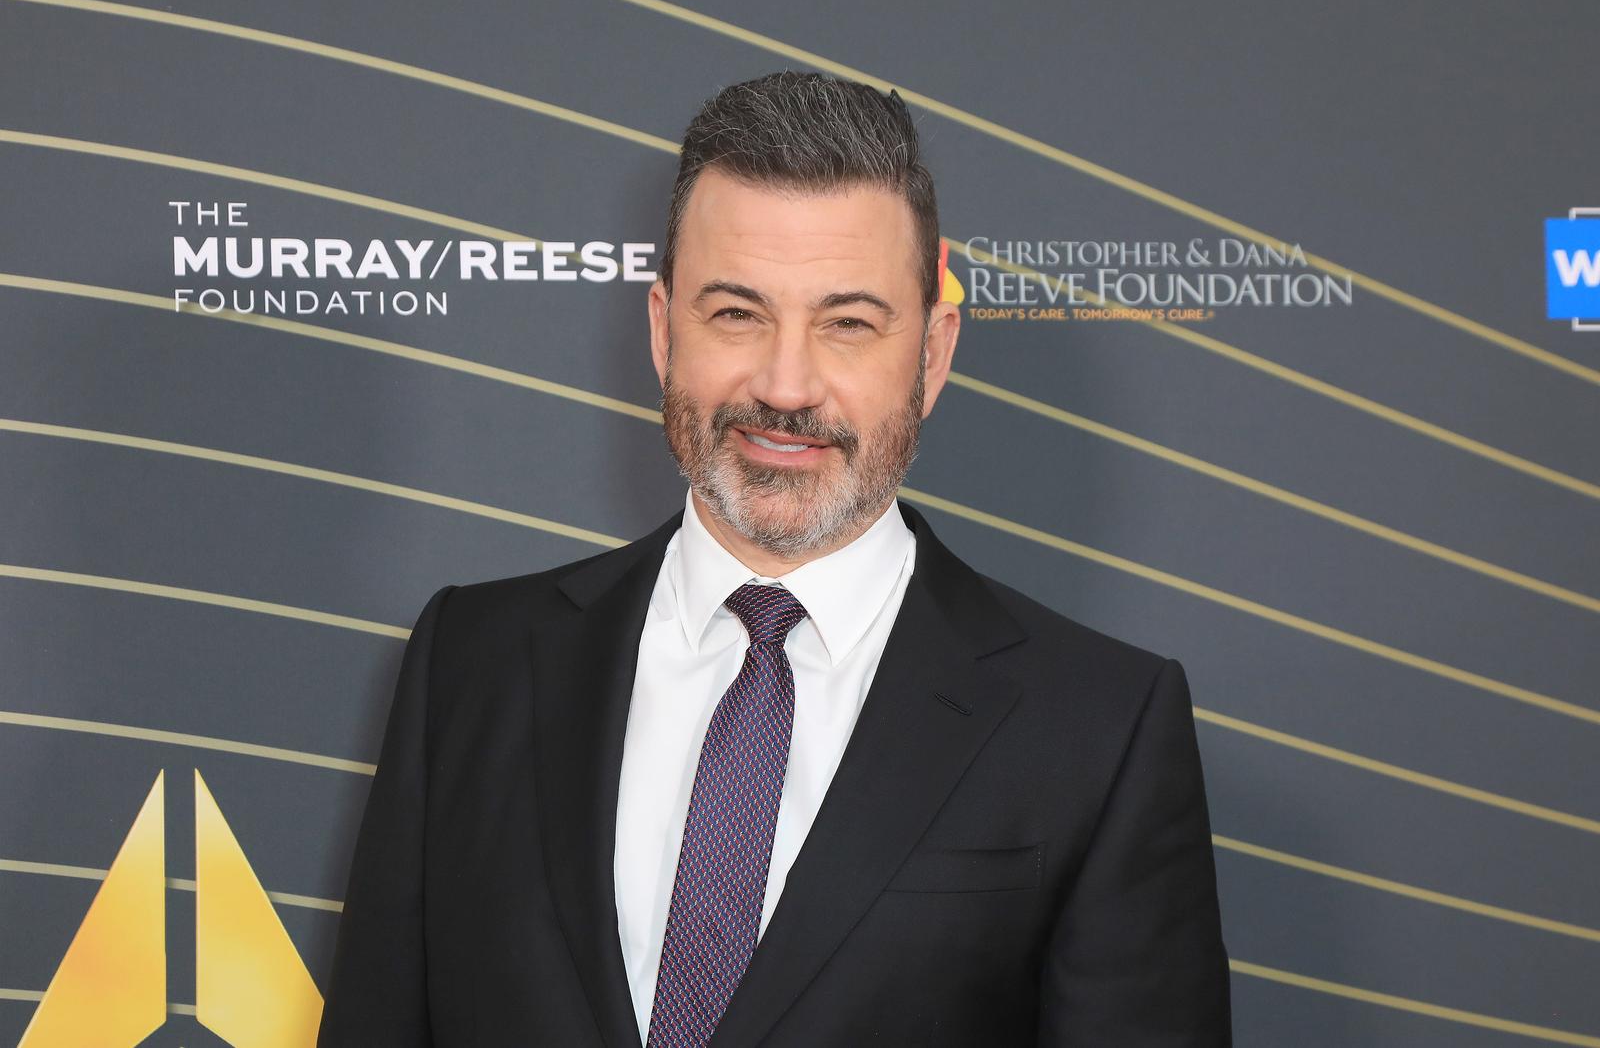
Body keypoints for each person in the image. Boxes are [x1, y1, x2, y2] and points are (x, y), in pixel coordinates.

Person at [318, 70, 1230, 1047]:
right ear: (663, 330)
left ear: (931, 354)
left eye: (848, 323)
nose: (787, 386)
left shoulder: (1098, 728)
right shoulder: (469, 663)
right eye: (737, 313)